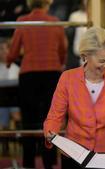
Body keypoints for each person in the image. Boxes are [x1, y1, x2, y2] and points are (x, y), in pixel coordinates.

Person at [43, 27, 105, 169]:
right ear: (85, 55)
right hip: (74, 154)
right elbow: (55, 115)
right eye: (101, 61)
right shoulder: (67, 78)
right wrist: (50, 132)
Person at [6, 0, 67, 168]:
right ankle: (49, 162)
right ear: (47, 3)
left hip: (29, 74)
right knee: (51, 119)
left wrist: (10, 61)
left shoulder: (23, 21)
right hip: (52, 73)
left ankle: (28, 163)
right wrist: (59, 62)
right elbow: (63, 49)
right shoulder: (55, 22)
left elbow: (14, 49)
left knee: (29, 119)